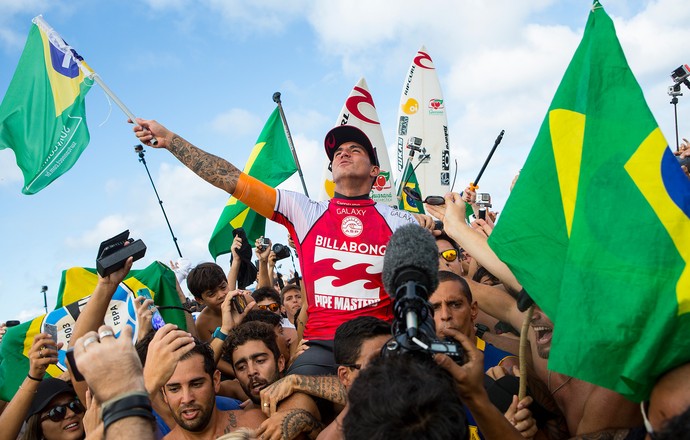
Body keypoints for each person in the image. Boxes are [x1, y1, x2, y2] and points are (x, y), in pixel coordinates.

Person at [133, 120, 434, 375]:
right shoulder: (303, 209)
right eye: (338, 152)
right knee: (287, 415)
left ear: (374, 171)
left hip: (379, 344)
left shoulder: (402, 221)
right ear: (331, 170)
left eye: (355, 150)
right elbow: (230, 179)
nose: (344, 154)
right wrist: (171, 140)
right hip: (320, 348)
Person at [427, 192, 643, 437]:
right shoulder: (540, 332)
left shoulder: (610, 389)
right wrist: (453, 229)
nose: (534, 313)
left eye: (549, 302)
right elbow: (506, 302)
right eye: (530, 302)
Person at [225, 321, 323, 440]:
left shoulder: (298, 402)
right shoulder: (243, 412)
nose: (251, 372)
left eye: (260, 361)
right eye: (241, 367)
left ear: (280, 363)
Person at [160, 338, 265, 439]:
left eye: (196, 384)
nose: (187, 399)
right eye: (174, 389)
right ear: (164, 393)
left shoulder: (256, 424)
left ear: (215, 381)